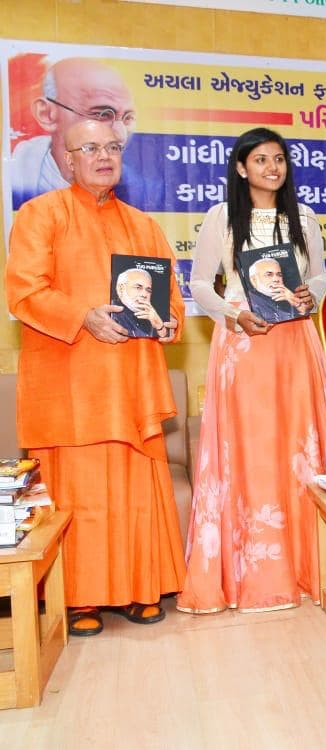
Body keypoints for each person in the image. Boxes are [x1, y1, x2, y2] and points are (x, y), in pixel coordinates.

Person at [6, 119, 184, 636]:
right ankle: (77, 597)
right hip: (71, 382)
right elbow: (24, 292)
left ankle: (138, 588)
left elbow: (167, 298)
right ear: (65, 157)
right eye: (90, 148)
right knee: (78, 494)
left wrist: (167, 319)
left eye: (112, 147)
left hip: (131, 384)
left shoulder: (143, 225)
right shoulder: (40, 215)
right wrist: (83, 315)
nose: (103, 156)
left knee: (132, 491)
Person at [177, 127, 326, 614]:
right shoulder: (221, 217)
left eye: (278, 159)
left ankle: (313, 568)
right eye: (260, 160)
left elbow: (319, 275)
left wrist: (310, 295)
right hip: (244, 343)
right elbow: (198, 283)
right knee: (253, 449)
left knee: (299, 448)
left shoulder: (302, 215)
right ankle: (257, 575)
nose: (272, 168)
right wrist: (233, 313)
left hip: (294, 342)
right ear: (241, 168)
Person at [9, 57, 142, 207]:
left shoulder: (140, 209)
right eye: (102, 114)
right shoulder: (17, 178)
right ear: (46, 114)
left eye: (128, 118)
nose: (120, 135)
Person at [245, 257, 305, 321]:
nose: (276, 279)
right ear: (254, 280)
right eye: (269, 275)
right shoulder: (249, 302)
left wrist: (296, 302)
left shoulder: (287, 296)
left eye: (279, 275)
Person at [111, 267, 165, 337]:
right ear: (121, 289)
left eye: (148, 290)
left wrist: (158, 324)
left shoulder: (148, 318)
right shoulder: (111, 314)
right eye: (138, 288)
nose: (144, 295)